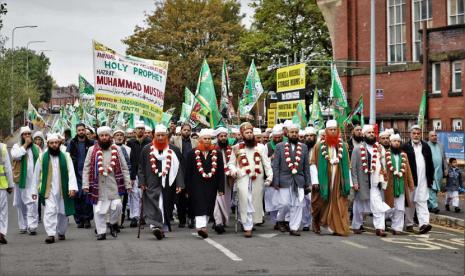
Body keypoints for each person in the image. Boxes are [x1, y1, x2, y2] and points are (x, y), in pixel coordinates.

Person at [82, 126, 131, 240]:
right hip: (97, 185)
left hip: (114, 185)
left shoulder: (116, 150)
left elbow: (124, 168)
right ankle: (101, 232)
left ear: (110, 137)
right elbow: (86, 168)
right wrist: (85, 185)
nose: (104, 138)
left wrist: (128, 183)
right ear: (98, 137)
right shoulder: (91, 150)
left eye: (106, 135)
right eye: (101, 136)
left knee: (117, 206)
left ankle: (113, 223)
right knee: (99, 210)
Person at [138, 125, 184, 240]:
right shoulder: (146, 149)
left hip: (168, 182)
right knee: (154, 202)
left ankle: (162, 226)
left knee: (166, 204)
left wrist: (179, 183)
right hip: (151, 182)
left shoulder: (173, 150)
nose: (160, 138)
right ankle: (155, 226)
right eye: (158, 135)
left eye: (162, 135)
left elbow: (178, 168)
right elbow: (141, 168)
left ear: (166, 136)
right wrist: (142, 182)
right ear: (154, 135)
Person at [228, 122, 272, 238]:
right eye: (246, 133)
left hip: (257, 179)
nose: (249, 135)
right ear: (242, 135)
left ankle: (251, 223)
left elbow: (267, 164)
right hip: (242, 178)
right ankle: (247, 226)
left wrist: (270, 177)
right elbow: (231, 164)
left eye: (251, 132)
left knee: (255, 202)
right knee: (244, 200)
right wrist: (233, 170)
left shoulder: (261, 147)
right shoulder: (236, 148)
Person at [32, 134, 78, 244]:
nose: (54, 145)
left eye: (56, 143)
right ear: (48, 144)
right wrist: (34, 191)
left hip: (63, 189)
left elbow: (71, 172)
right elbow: (36, 175)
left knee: (62, 213)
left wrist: (72, 188)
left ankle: (61, 232)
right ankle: (51, 234)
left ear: (59, 143)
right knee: (50, 211)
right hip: (49, 190)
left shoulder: (66, 156)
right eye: (51, 143)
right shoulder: (42, 157)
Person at [310, 120, 351, 236]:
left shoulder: (343, 146)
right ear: (326, 131)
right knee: (319, 203)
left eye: (335, 130)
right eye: (330, 130)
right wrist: (315, 181)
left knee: (339, 204)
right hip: (323, 181)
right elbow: (312, 163)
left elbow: (348, 165)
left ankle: (337, 227)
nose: (333, 132)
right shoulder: (319, 146)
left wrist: (349, 183)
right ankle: (316, 221)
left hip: (338, 181)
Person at [351, 125, 390, 237]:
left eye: (373, 132)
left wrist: (381, 151)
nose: (372, 134)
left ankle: (379, 228)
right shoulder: (358, 149)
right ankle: (356, 225)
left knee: (378, 205)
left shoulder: (379, 148)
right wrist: (355, 182)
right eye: (369, 132)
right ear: (364, 135)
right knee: (358, 207)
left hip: (375, 182)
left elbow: (383, 162)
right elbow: (353, 168)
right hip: (362, 183)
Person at [185, 129, 225, 239]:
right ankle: (201, 227)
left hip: (212, 185)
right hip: (196, 185)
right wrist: (187, 189)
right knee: (199, 205)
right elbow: (188, 173)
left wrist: (221, 188)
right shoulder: (192, 153)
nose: (207, 141)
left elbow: (220, 172)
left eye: (209, 139)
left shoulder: (217, 153)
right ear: (199, 140)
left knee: (208, 206)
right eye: (205, 138)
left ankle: (203, 227)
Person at [272, 124, 310, 236]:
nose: (294, 134)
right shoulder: (280, 146)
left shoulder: (303, 147)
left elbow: (306, 167)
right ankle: (280, 219)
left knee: (298, 205)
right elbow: (276, 166)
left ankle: (294, 227)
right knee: (285, 204)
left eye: (296, 132)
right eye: (292, 132)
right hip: (284, 180)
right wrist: (276, 181)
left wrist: (308, 183)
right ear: (287, 133)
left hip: (299, 180)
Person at [402, 125, 434, 234]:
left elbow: (430, 163)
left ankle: (424, 224)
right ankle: (409, 224)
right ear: (410, 134)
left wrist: (430, 178)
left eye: (418, 133)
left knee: (422, 200)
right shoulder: (405, 146)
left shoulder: (426, 146)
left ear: (421, 134)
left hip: (423, 179)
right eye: (414, 133)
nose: (416, 135)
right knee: (410, 202)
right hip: (410, 179)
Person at [11, 126, 40, 235]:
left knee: (32, 202)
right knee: (20, 203)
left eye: (29, 134)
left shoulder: (36, 148)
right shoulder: (16, 146)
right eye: (25, 134)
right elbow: (16, 156)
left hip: (33, 182)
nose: (27, 136)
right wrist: (25, 145)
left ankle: (32, 226)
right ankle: (23, 225)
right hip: (20, 181)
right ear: (21, 136)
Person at [384, 134, 414, 235]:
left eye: (398, 141)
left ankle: (397, 228)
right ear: (390, 142)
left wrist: (411, 184)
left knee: (400, 208)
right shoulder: (386, 154)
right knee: (390, 207)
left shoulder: (404, 155)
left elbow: (408, 170)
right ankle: (384, 223)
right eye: (394, 141)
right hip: (389, 185)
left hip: (401, 184)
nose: (396, 143)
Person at [67, 123, 95, 229]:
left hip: (88, 174)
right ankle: (79, 219)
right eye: (79, 130)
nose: (81, 132)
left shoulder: (91, 143)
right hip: (75, 173)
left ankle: (87, 219)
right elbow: (68, 157)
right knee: (77, 197)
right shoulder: (72, 143)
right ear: (76, 131)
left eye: (83, 130)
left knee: (87, 196)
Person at [171, 123, 199, 228]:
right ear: (181, 130)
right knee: (180, 196)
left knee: (192, 196)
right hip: (180, 171)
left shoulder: (196, 142)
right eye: (185, 130)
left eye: (188, 130)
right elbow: (167, 140)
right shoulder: (175, 140)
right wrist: (171, 130)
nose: (186, 132)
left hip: (193, 171)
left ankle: (191, 218)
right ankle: (182, 219)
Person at [127, 121, 152, 228]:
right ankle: (134, 216)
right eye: (138, 128)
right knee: (134, 195)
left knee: (144, 195)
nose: (141, 130)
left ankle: (143, 216)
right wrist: (131, 176)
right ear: (135, 130)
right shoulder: (130, 143)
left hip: (146, 173)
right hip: (134, 172)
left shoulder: (149, 142)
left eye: (142, 128)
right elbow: (130, 160)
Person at [212, 127, 233, 234]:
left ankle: (223, 220)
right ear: (217, 137)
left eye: (225, 136)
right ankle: (218, 222)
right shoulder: (213, 150)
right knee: (217, 200)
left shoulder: (232, 149)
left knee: (226, 200)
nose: (224, 138)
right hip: (216, 179)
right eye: (221, 136)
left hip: (228, 179)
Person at [264, 125, 283, 230]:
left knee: (282, 201)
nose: (277, 139)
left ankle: (281, 221)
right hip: (272, 177)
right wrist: (271, 158)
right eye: (275, 137)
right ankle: (275, 221)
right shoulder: (267, 146)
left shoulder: (285, 144)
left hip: (283, 176)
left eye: (279, 137)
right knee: (272, 202)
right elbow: (264, 160)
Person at [113, 129, 132, 227]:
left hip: (125, 177)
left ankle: (120, 220)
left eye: (121, 135)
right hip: (114, 178)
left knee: (124, 199)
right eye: (117, 135)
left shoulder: (128, 149)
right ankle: (113, 221)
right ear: (113, 137)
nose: (119, 137)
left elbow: (129, 164)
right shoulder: (112, 148)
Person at [427, 131, 448, 214]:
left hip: (439, 171)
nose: (434, 137)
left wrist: (446, 169)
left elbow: (444, 158)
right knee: (432, 188)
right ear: (429, 137)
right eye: (432, 136)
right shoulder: (426, 145)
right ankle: (434, 206)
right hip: (430, 171)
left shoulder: (441, 145)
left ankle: (429, 206)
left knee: (436, 189)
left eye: (435, 135)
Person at [301, 126, 317, 231]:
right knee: (304, 203)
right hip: (303, 178)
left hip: (316, 179)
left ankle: (314, 222)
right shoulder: (301, 148)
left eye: (311, 136)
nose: (309, 138)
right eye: (307, 136)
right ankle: (306, 223)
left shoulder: (319, 147)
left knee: (314, 201)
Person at [0, 140, 14, 244]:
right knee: (2, 212)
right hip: (1, 186)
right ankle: (1, 233)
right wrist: (10, 185)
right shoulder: (2, 148)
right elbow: (8, 169)